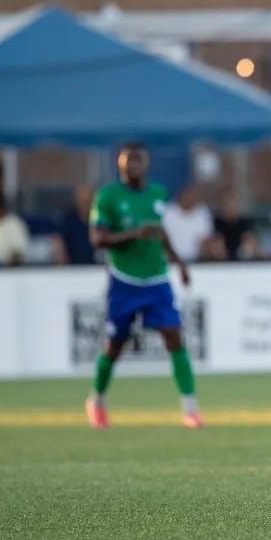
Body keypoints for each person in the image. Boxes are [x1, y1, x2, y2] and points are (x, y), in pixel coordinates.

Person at [85, 140, 200, 429]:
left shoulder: (157, 193)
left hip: (157, 279)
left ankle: (190, 409)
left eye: (138, 160)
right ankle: (96, 400)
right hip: (124, 280)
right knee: (114, 345)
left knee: (174, 336)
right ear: (120, 164)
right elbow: (98, 239)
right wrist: (133, 233)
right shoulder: (108, 196)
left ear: (145, 163)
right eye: (128, 160)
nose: (133, 165)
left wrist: (179, 263)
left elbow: (159, 232)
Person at [161, 185, 216, 262]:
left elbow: (207, 238)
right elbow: (161, 237)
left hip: (197, 261)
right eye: (186, 196)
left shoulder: (202, 213)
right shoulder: (168, 212)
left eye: (192, 197)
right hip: (171, 261)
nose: (189, 199)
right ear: (180, 197)